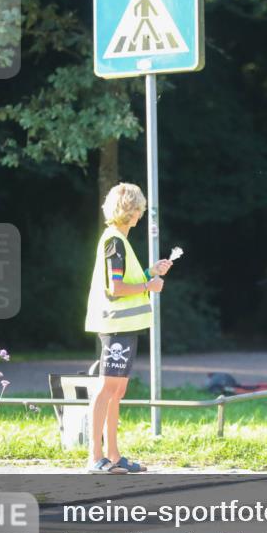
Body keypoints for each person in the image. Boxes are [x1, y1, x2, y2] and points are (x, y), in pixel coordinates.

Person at [84, 183, 172, 474]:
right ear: (131, 210)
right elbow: (116, 288)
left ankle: (113, 456)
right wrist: (149, 285)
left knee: (117, 390)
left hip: (125, 326)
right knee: (107, 388)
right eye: (139, 208)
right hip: (115, 326)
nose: (141, 213)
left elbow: (123, 282)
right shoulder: (114, 241)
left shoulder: (119, 240)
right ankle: (96, 458)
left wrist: (150, 272)